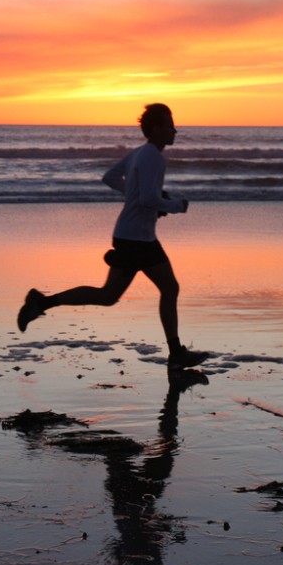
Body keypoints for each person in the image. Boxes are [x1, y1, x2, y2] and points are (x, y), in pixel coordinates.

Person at [16, 103, 208, 369]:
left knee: (137, 292)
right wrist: (176, 205)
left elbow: (110, 178)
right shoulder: (153, 156)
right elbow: (148, 198)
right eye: (169, 126)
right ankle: (42, 302)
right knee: (126, 293)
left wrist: (137, 195)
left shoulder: (139, 153)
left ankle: (42, 302)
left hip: (137, 237)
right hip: (135, 239)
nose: (174, 130)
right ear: (155, 129)